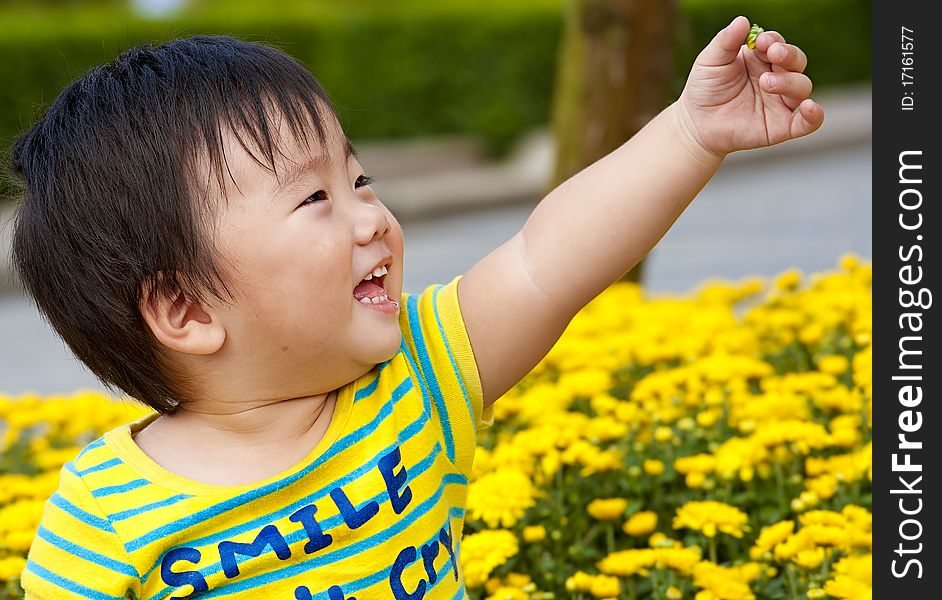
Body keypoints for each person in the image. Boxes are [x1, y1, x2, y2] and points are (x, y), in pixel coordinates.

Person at [11, 15, 822, 599]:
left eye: (360, 180)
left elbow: (548, 260)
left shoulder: (420, 379)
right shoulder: (103, 520)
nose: (373, 219)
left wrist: (690, 132)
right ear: (185, 310)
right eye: (315, 199)